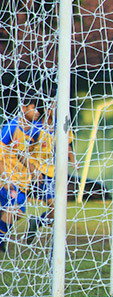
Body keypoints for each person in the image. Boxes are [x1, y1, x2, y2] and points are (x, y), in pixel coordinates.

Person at [24, 106, 76, 244]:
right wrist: (31, 167)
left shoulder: (61, 126)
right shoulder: (36, 128)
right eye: (52, 105)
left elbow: (67, 145)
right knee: (56, 206)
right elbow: (24, 149)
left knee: (58, 210)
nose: (56, 108)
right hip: (40, 172)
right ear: (47, 109)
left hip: (54, 172)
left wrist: (73, 161)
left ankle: (38, 222)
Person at [0, 100, 42, 253]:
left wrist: (33, 171)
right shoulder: (12, 126)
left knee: (11, 211)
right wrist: (5, 177)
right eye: (33, 108)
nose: (37, 111)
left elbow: (23, 154)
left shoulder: (33, 131)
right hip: (9, 179)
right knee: (16, 209)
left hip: (22, 181)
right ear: (23, 108)